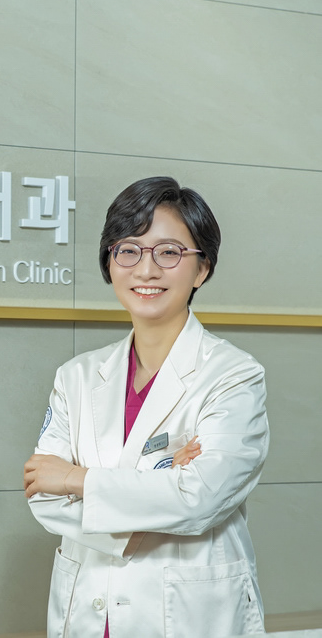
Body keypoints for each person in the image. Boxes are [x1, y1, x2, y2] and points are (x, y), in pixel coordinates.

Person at [22, 177, 269, 638]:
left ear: (202, 269)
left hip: (188, 615)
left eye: (169, 252)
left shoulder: (234, 375)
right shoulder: (76, 377)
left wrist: (77, 479)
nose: (147, 270)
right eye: (129, 251)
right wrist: (162, 483)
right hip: (89, 612)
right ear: (109, 261)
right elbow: (43, 494)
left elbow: (200, 498)